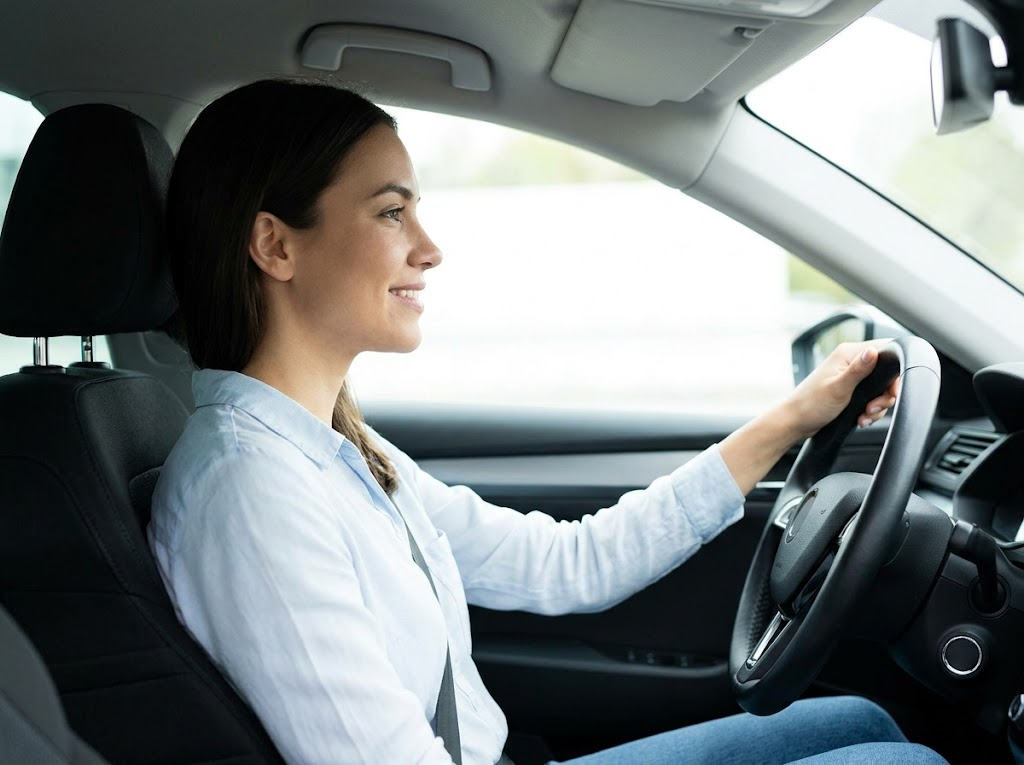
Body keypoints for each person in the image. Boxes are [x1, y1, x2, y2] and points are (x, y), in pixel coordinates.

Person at [148, 79, 946, 765]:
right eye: (392, 213)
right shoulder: (250, 490)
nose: (430, 249)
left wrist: (793, 420)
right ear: (274, 245)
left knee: (861, 723)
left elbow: (568, 564)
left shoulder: (337, 448)